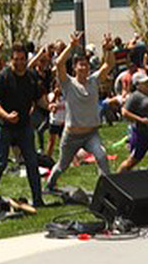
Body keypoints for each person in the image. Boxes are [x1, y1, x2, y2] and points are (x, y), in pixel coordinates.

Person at [44, 34, 113, 193]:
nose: (84, 67)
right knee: (62, 165)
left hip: (91, 134)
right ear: (75, 68)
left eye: (86, 65)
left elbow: (109, 64)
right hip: (72, 136)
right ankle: (49, 185)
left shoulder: (94, 81)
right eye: (80, 65)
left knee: (101, 156)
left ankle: (107, 190)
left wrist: (108, 49)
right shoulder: (68, 83)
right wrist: (71, 46)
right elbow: (59, 63)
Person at [0, 44, 46, 207]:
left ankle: (38, 199)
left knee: (32, 162)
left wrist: (50, 105)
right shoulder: (3, 77)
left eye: (22, 59)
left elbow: (39, 98)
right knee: (1, 162)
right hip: (3, 125)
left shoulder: (31, 76)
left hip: (24, 125)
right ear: (11, 60)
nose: (19, 62)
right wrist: (6, 115)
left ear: (27, 59)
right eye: (16, 59)